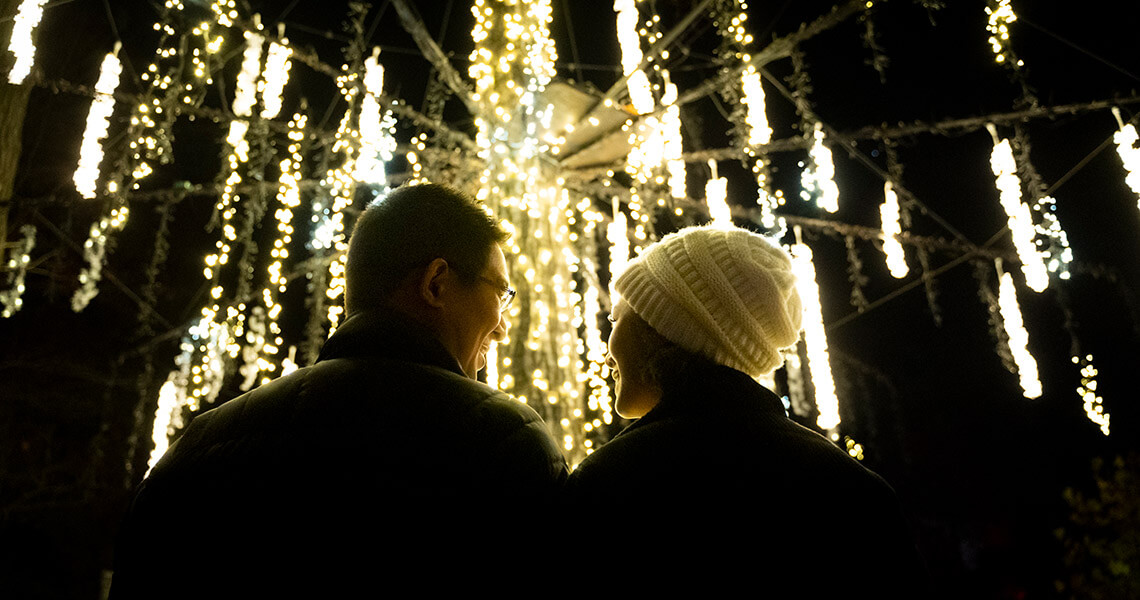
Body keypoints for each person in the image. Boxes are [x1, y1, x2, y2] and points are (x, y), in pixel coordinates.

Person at [110, 184, 568, 597]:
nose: (503, 328)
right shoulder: (505, 445)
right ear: (436, 283)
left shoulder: (199, 447)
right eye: (500, 293)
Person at [565, 225, 926, 593]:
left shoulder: (611, 482)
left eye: (615, 320)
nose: (606, 349)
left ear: (659, 330)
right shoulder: (856, 491)